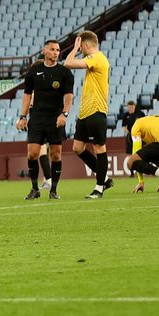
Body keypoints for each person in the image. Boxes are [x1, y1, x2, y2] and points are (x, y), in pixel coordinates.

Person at [16, 39, 73, 200]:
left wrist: (65, 114)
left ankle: (53, 190)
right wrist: (23, 116)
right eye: (53, 49)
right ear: (44, 51)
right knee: (32, 154)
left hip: (55, 119)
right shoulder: (34, 71)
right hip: (37, 119)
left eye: (58, 50)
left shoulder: (64, 73)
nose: (56, 52)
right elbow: (27, 95)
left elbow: (69, 96)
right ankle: (35, 189)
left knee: (56, 155)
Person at [64, 30, 113, 199]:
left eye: (81, 47)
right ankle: (104, 178)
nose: (80, 50)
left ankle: (99, 187)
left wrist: (74, 49)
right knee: (78, 148)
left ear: (85, 45)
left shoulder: (97, 58)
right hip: (85, 112)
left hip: (96, 111)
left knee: (99, 148)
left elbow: (68, 63)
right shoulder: (95, 60)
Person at [120, 100, 147, 191]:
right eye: (129, 107)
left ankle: (142, 171)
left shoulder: (140, 113)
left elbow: (144, 123)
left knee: (140, 154)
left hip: (139, 136)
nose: (130, 108)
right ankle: (132, 172)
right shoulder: (125, 115)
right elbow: (124, 126)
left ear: (134, 106)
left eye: (131, 107)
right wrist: (130, 133)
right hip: (130, 137)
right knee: (130, 154)